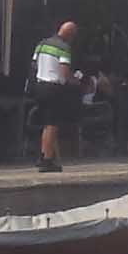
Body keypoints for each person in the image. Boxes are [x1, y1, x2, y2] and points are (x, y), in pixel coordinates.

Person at [30, 17, 81, 170]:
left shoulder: (41, 44)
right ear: (70, 35)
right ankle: (47, 160)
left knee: (46, 123)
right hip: (53, 88)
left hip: (39, 85)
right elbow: (64, 73)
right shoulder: (64, 47)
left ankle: (44, 155)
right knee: (52, 124)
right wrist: (75, 81)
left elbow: (34, 65)